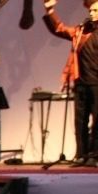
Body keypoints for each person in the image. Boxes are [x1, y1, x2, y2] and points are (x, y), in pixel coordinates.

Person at [43, 0, 98, 167]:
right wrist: (50, 10)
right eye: (91, 10)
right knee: (79, 120)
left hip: (97, 83)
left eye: (95, 10)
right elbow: (59, 28)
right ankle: (81, 155)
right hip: (81, 81)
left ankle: (95, 155)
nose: (91, 12)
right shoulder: (82, 31)